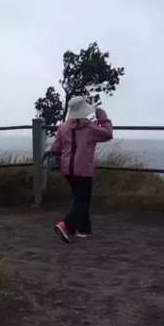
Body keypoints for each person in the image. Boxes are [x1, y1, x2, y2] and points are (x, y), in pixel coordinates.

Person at [48, 96, 113, 244]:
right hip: (83, 169)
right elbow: (108, 134)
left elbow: (55, 148)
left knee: (80, 198)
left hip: (67, 169)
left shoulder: (63, 127)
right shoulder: (90, 128)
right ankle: (65, 225)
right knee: (83, 200)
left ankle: (83, 229)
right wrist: (103, 118)